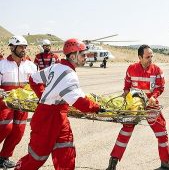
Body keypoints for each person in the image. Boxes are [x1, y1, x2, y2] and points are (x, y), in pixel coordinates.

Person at [15, 38, 102, 170]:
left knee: (66, 154)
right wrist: (97, 107)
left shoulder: (55, 67)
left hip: (59, 117)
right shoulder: (69, 74)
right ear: (73, 56)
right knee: (37, 158)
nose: (86, 57)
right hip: (46, 120)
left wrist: (42, 95)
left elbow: (33, 79)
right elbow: (80, 103)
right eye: (83, 54)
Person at [106, 45, 169, 170]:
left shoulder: (157, 70)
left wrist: (154, 97)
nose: (150, 59)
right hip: (135, 106)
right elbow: (127, 86)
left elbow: (160, 87)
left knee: (162, 132)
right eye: (147, 57)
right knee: (125, 132)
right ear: (140, 57)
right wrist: (125, 93)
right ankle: (113, 162)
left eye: (151, 56)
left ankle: (165, 162)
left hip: (151, 105)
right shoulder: (131, 68)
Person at [0, 36, 37, 168]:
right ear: (12, 47)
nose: (23, 50)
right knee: (5, 127)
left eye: (25, 47)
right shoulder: (2, 64)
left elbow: (37, 85)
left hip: (23, 105)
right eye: (21, 47)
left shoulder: (31, 66)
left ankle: (3, 158)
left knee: (18, 131)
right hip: (5, 103)